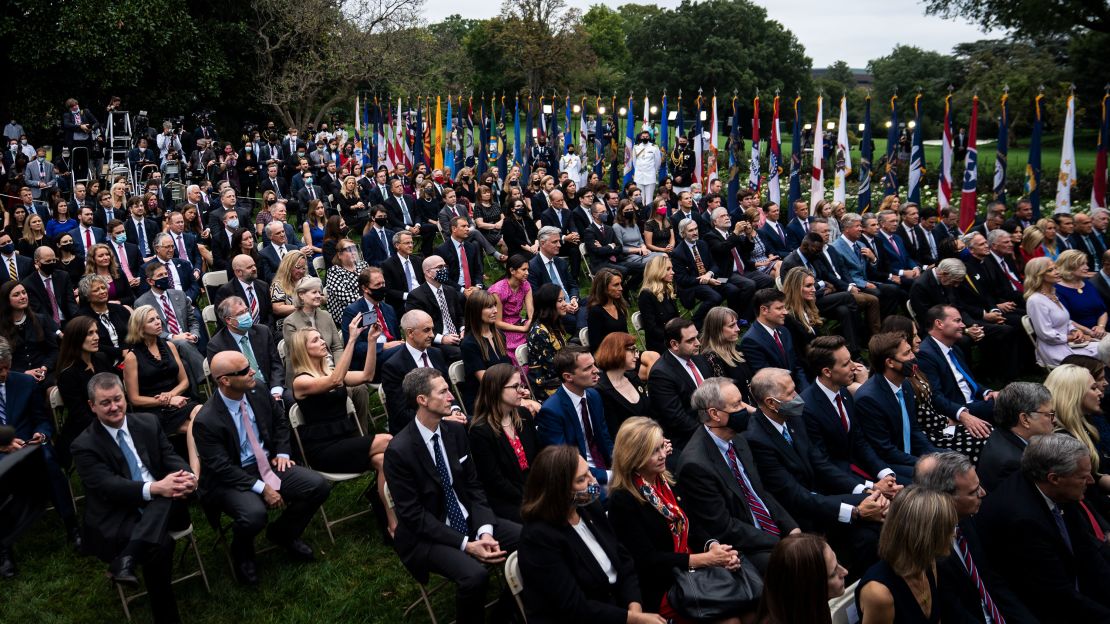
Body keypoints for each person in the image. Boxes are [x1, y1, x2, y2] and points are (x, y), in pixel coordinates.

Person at [385, 367, 521, 624]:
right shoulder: (399, 451)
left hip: (469, 519)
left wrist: (485, 531)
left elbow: (474, 487)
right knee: (475, 576)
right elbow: (414, 516)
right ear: (422, 400)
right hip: (428, 535)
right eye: (444, 391)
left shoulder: (456, 432)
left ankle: (507, 614)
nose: (451, 397)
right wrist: (466, 545)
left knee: (530, 540)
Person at [193, 350, 332, 585]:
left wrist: (282, 452)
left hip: (269, 462)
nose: (253, 372)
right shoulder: (207, 420)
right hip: (231, 478)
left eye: (250, 366)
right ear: (225, 380)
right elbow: (221, 467)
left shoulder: (256, 390)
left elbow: (279, 421)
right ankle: (243, 554)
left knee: (318, 486)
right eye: (245, 370)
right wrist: (262, 488)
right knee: (254, 515)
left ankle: (283, 533)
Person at [71, 373, 196, 624]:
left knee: (169, 492)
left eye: (118, 399)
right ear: (92, 406)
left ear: (125, 398)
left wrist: (186, 475)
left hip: (167, 504)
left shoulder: (148, 423)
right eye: (105, 403)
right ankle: (167, 617)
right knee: (159, 546)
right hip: (119, 512)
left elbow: (170, 456)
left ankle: (128, 557)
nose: (114, 407)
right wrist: (156, 488)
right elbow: (109, 487)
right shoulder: (84, 445)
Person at [744, 368, 886, 571]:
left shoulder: (793, 417)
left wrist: (864, 490)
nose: (797, 396)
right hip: (800, 514)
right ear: (771, 403)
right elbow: (794, 495)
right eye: (790, 393)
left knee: (878, 510)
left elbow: (820, 464)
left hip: (821, 498)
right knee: (867, 533)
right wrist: (855, 511)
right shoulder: (757, 439)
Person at [608, 417, 746, 622]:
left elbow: (692, 524)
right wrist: (703, 560)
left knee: (752, 605)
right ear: (635, 456)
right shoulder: (623, 499)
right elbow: (647, 560)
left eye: (662, 446)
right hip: (664, 584)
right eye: (654, 451)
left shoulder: (665, 479)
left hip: (692, 569)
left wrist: (714, 547)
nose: (664, 455)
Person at [518, 445, 662, 624]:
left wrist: (635, 606)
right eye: (581, 479)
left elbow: (623, 560)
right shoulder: (538, 538)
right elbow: (573, 607)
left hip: (621, 610)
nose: (593, 481)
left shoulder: (588, 507)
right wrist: (631, 618)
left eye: (589, 473)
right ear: (559, 491)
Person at [975, 434, 1110, 622]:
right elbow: (1057, 595)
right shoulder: (1021, 521)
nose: (1091, 481)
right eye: (1082, 476)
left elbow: (1088, 552)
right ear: (1054, 478)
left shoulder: (1058, 489)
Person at [676, 377, 799, 574]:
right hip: (743, 548)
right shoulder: (696, 465)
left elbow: (759, 492)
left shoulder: (738, 439)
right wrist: (781, 542)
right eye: (737, 405)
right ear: (714, 414)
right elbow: (725, 527)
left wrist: (792, 529)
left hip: (767, 533)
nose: (747, 409)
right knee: (798, 564)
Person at [288, 321, 395, 535]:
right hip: (322, 450)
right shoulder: (301, 381)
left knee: (383, 461)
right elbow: (335, 380)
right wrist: (352, 338)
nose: (322, 342)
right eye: (316, 340)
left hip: (345, 441)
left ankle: (392, 523)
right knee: (388, 441)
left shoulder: (329, 371)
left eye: (321, 337)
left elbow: (366, 376)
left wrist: (372, 342)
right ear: (303, 349)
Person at [914, 452, 1039, 624]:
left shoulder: (965, 520)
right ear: (945, 500)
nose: (983, 493)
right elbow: (953, 611)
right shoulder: (926, 547)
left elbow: (992, 580)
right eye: (973, 492)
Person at [884, 313, 990, 462]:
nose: (919, 339)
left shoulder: (914, 366)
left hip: (940, 423)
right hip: (930, 434)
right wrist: (950, 420)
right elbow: (919, 417)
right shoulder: (902, 376)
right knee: (982, 440)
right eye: (914, 336)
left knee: (987, 433)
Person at [801, 335, 900, 481]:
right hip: (840, 481)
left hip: (862, 468)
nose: (854, 367)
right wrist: (869, 487)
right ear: (827, 372)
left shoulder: (844, 393)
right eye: (846, 363)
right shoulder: (807, 407)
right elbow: (823, 463)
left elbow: (859, 441)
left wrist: (884, 473)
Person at [856, 487, 956, 624]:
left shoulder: (928, 562)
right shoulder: (879, 593)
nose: (953, 534)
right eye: (947, 529)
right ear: (926, 536)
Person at [122, 305, 202, 474]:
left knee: (201, 412)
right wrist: (166, 400)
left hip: (179, 401)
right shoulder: (132, 357)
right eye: (151, 320)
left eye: (158, 318)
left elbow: (185, 382)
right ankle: (198, 473)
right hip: (153, 411)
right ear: (140, 327)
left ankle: (195, 473)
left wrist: (172, 395)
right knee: (200, 428)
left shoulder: (170, 346)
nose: (158, 322)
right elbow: (134, 399)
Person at [854, 333, 939, 475]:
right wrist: (925, 463)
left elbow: (914, 430)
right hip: (889, 466)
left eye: (911, 351)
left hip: (909, 457)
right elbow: (885, 450)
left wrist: (936, 457)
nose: (913, 357)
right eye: (906, 353)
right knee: (939, 479)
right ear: (890, 362)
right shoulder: (868, 399)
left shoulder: (905, 384)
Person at [467, 363, 538, 523]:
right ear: (497, 390)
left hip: (536, 488)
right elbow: (495, 481)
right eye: (515, 386)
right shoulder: (481, 431)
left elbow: (539, 456)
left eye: (521, 385)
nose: (522, 391)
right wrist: (531, 495)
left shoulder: (523, 414)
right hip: (510, 500)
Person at [536, 347, 615, 487]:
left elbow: (604, 437)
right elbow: (565, 463)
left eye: (594, 364)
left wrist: (620, 465)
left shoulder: (593, 396)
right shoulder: (551, 411)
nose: (596, 370)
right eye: (588, 368)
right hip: (581, 481)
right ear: (568, 377)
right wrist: (609, 476)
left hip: (606, 469)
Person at [54, 316, 122, 468]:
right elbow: (80, 415)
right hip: (86, 428)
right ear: (76, 338)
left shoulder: (102, 359)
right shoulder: (68, 374)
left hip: (112, 418)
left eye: (96, 332)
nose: (96, 337)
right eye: (90, 333)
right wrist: (111, 427)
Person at [1024, 256, 1105, 366]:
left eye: (1056, 268)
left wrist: (1075, 331)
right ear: (1038, 275)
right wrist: (1070, 337)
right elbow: (1046, 334)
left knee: (1106, 347)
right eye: (1050, 270)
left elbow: (1066, 321)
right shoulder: (1036, 300)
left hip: (1070, 343)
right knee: (1105, 350)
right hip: (1055, 350)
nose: (1056, 272)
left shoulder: (1052, 295)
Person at [380, 309, 451, 433]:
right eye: (426, 330)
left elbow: (448, 391)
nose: (432, 335)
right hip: (415, 429)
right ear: (410, 333)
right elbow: (401, 413)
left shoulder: (437, 354)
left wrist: (455, 410)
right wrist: (443, 418)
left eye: (432, 329)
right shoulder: (393, 367)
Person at [671, 217, 750, 326]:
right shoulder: (678, 253)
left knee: (733, 289)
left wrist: (709, 274)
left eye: (696, 229)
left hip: (712, 278)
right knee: (715, 297)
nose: (695, 232)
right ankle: (695, 324)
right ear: (683, 234)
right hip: (694, 284)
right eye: (691, 230)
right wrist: (706, 280)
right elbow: (682, 280)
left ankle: (732, 320)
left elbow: (714, 265)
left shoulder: (702, 244)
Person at [977, 381, 1055, 490]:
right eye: (1049, 415)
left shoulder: (1003, 435)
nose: (1054, 420)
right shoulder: (1013, 464)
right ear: (1025, 419)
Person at [755, 533, 849, 624]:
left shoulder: (811, 609)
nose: (845, 572)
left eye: (837, 563)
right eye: (833, 574)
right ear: (808, 587)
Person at [740, 288, 810, 392]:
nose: (785, 312)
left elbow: (796, 365)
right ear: (764, 310)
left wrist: (806, 391)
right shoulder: (751, 341)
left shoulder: (784, 331)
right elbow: (768, 379)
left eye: (784, 307)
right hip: (780, 394)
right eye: (779, 308)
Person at [459, 289, 513, 413]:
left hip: (504, 392)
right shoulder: (469, 344)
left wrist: (518, 390)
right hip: (484, 400)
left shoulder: (499, 335)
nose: (495, 310)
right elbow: (486, 381)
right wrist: (515, 396)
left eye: (495, 305)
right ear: (476, 311)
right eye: (489, 307)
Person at [527, 225, 587, 332]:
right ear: (542, 243)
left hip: (572, 304)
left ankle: (580, 332)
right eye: (555, 242)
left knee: (597, 301)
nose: (559, 245)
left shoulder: (560, 262)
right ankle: (581, 330)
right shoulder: (532, 267)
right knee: (587, 317)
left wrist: (574, 298)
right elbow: (537, 297)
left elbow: (572, 285)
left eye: (559, 241)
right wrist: (562, 305)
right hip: (553, 309)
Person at [0, 281, 59, 385]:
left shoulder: (40, 320)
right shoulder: (1, 327)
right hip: (15, 378)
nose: (23, 297)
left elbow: (53, 350)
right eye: (16, 295)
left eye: (24, 292)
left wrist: (45, 367)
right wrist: (23, 373)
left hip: (44, 376)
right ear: (6, 300)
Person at [595, 333, 651, 435]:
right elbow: (613, 431)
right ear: (616, 351)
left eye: (637, 350)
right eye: (632, 350)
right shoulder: (601, 391)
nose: (637, 355)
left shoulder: (633, 377)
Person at [527, 283, 570, 397]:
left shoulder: (553, 324)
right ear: (549, 304)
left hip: (562, 377)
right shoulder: (539, 332)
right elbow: (552, 368)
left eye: (564, 299)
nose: (565, 304)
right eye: (560, 300)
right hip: (547, 387)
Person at [487, 254, 533, 359]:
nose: (527, 273)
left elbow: (530, 310)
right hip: (501, 327)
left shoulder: (525, 284)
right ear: (512, 271)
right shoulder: (498, 291)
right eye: (524, 269)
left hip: (517, 321)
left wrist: (531, 321)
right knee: (516, 348)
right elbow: (497, 322)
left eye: (527, 269)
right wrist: (523, 329)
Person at [213, 254, 274, 328]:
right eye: (249, 267)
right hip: (239, 333)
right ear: (238, 272)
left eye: (254, 265)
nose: (254, 268)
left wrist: (265, 331)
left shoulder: (263, 286)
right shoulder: (226, 291)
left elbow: (269, 314)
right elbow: (223, 321)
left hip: (264, 332)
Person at [1055, 248, 1109, 331]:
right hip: (1078, 336)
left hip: (1101, 331)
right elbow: (1066, 321)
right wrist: (1089, 332)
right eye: (1082, 264)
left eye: (1086, 263)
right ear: (1069, 266)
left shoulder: (1087, 283)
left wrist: (1101, 326)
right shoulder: (1057, 290)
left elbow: (1102, 311)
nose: (1087, 267)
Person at [636, 254, 681, 354]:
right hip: (660, 343)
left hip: (673, 338)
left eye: (672, 268)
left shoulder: (667, 290)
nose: (673, 272)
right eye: (668, 269)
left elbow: (676, 318)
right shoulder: (646, 295)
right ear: (657, 271)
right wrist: (673, 338)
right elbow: (651, 329)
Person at [323, 237, 369, 323]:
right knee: (368, 322)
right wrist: (367, 301)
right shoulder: (334, 271)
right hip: (345, 310)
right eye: (349, 250)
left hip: (367, 305)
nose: (353, 252)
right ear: (340, 255)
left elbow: (371, 284)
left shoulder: (363, 265)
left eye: (354, 249)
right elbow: (343, 296)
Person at [380, 230, 425, 313]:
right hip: (402, 302)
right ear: (397, 245)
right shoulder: (387, 265)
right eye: (407, 243)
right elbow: (387, 290)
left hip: (422, 297)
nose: (411, 245)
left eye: (412, 242)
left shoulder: (418, 260)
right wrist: (408, 296)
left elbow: (424, 281)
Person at [585, 268, 629, 352]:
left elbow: (625, 334)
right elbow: (596, 345)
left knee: (652, 355)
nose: (621, 288)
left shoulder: (619, 306)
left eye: (620, 284)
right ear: (604, 288)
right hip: (610, 356)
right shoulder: (596, 312)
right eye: (616, 285)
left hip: (625, 350)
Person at [269, 250, 308, 335]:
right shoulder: (279, 285)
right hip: (288, 322)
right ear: (288, 266)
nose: (301, 271)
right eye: (298, 267)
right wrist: (303, 307)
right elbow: (277, 308)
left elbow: (322, 298)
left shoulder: (307, 280)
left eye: (303, 268)